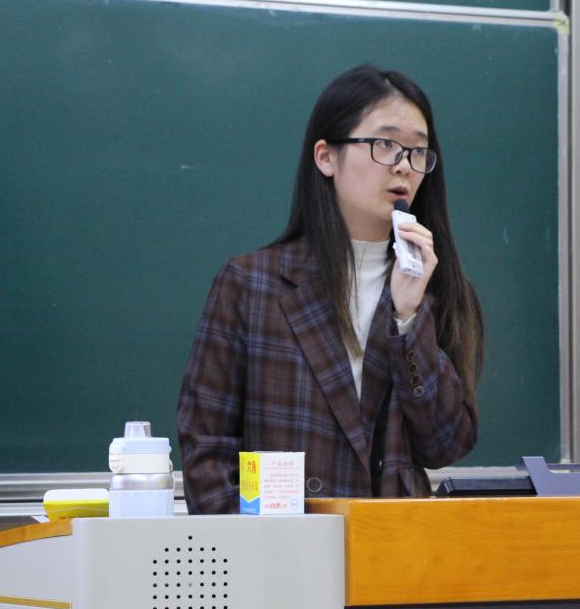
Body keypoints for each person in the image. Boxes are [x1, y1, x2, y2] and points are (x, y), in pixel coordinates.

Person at [177, 64, 484, 514]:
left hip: (394, 546)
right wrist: (250, 547)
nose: (403, 165)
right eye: (384, 144)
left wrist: (408, 320)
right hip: (281, 547)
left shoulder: (437, 290)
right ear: (326, 157)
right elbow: (207, 450)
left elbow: (446, 444)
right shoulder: (251, 285)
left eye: (418, 151)